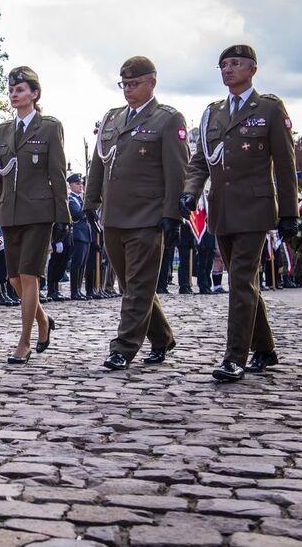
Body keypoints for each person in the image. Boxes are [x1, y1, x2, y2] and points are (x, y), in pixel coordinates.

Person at [180, 44, 297, 381]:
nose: (228, 70)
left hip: (255, 208)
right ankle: (265, 348)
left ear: (252, 70)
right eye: (223, 65)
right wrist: (189, 193)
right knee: (243, 283)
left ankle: (234, 357)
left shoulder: (269, 109)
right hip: (221, 210)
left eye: (235, 64)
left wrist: (288, 213)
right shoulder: (212, 113)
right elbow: (200, 160)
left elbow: (286, 165)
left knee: (241, 281)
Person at [86, 56, 188, 370]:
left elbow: (177, 169)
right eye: (124, 84)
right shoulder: (112, 118)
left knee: (139, 285)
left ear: (151, 82)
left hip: (147, 215)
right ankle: (161, 337)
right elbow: (98, 163)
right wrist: (90, 203)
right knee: (130, 286)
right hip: (114, 216)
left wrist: (172, 214)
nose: (128, 90)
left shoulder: (167, 119)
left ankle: (123, 347)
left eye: (134, 83)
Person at [0, 66, 69, 363]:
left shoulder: (49, 127)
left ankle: (24, 342)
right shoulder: (4, 131)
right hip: (10, 212)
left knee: (29, 275)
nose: (14, 94)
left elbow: (57, 173)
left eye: (20, 90)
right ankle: (43, 320)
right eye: (11, 90)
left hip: (39, 211)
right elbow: (0, 177)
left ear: (34, 94)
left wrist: (63, 216)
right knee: (14, 280)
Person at [67, 174, 90, 300]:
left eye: (81, 183)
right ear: (70, 185)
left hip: (85, 234)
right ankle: (74, 291)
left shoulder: (81, 199)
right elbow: (78, 214)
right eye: (77, 183)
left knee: (82, 264)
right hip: (78, 234)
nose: (80, 185)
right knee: (77, 264)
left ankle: (79, 290)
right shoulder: (71, 200)